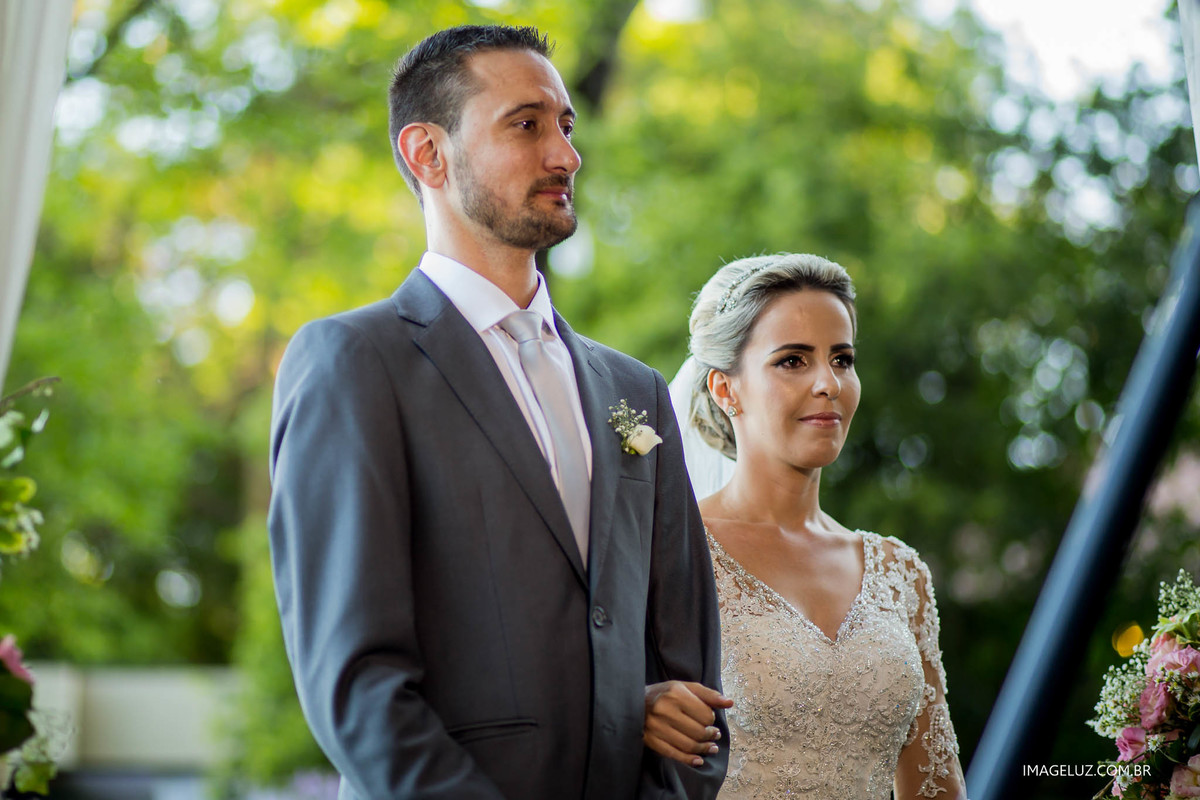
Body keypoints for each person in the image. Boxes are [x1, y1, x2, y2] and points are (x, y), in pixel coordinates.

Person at [267, 24, 728, 800]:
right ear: (428, 155)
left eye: (567, 125)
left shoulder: (636, 391)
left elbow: (690, 676)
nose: (566, 155)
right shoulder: (354, 364)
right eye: (526, 124)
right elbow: (355, 683)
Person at [651, 253, 968, 799]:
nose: (829, 383)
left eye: (841, 359)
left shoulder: (901, 573)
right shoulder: (672, 550)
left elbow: (936, 784)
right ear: (726, 390)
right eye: (793, 361)